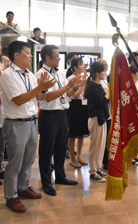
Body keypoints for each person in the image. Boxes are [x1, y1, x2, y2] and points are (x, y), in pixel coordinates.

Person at [0, 41, 55, 212]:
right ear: (16, 55)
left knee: (29, 159)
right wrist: (40, 87)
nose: (31, 56)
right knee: (15, 162)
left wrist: (44, 87)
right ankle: (10, 196)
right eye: (27, 53)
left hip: (31, 121)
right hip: (16, 123)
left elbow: (38, 96)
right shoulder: (7, 75)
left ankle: (23, 187)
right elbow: (18, 100)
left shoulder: (29, 74)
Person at [36, 45, 84, 196]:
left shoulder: (59, 73)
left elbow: (67, 94)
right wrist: (67, 88)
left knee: (60, 148)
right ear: (47, 58)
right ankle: (46, 182)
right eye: (56, 55)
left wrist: (75, 87)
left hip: (62, 113)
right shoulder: (41, 74)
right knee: (46, 150)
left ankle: (60, 176)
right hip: (49, 115)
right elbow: (48, 97)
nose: (59, 57)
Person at [85, 62, 109, 182]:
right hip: (96, 118)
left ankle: (98, 168)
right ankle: (93, 171)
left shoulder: (98, 85)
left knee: (101, 145)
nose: (105, 73)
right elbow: (102, 102)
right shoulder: (92, 87)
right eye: (103, 71)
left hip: (102, 117)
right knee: (95, 146)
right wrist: (108, 93)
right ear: (97, 73)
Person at [66, 57, 89, 168]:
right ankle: (72, 158)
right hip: (74, 106)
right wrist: (83, 85)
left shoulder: (84, 77)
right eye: (80, 65)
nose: (82, 66)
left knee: (81, 133)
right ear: (74, 67)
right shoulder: (71, 79)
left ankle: (79, 156)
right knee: (73, 134)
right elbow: (74, 95)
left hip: (83, 105)